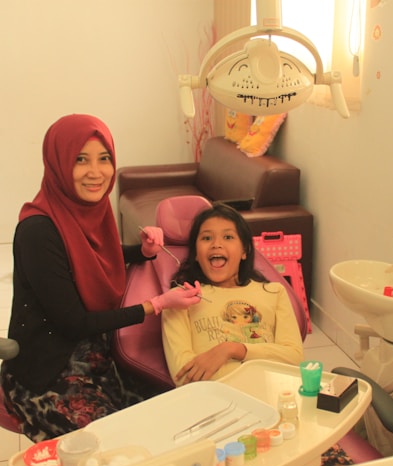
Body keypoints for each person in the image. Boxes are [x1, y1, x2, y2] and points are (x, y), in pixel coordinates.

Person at [0, 114, 201, 442]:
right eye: (81, 160)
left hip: (101, 357)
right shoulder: (37, 231)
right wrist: (157, 304)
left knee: (176, 424)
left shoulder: (88, 212)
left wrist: (143, 252)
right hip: (48, 374)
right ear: (59, 164)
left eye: (104, 158)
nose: (96, 172)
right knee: (119, 446)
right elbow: (74, 323)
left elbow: (92, 256)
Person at [162, 202, 304, 386]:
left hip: (275, 395)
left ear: (244, 250)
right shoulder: (180, 299)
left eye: (228, 237)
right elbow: (184, 375)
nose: (216, 245)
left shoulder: (274, 292)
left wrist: (232, 350)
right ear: (196, 253)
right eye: (206, 238)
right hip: (216, 402)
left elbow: (294, 358)